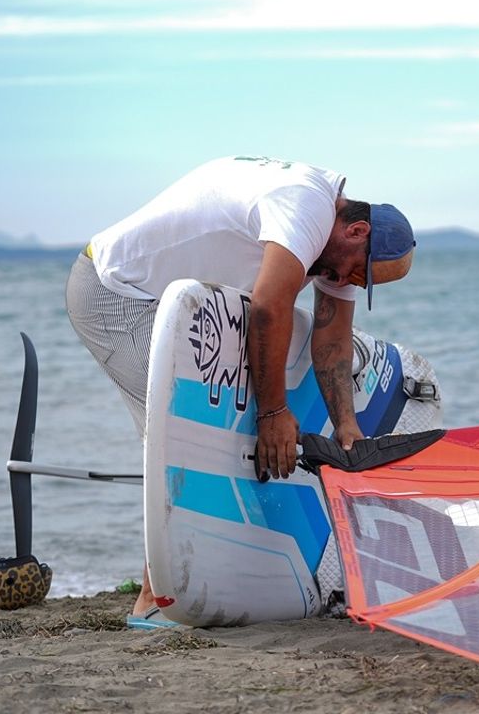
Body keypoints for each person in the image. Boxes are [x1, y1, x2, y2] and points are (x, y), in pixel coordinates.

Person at [65, 155, 415, 623]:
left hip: (180, 305)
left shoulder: (334, 245)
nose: (347, 282)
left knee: (225, 420)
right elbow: (270, 309)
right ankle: (154, 598)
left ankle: (209, 570)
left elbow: (331, 342)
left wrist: (349, 429)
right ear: (358, 232)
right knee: (185, 430)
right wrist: (274, 414)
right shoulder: (307, 207)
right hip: (117, 292)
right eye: (358, 273)